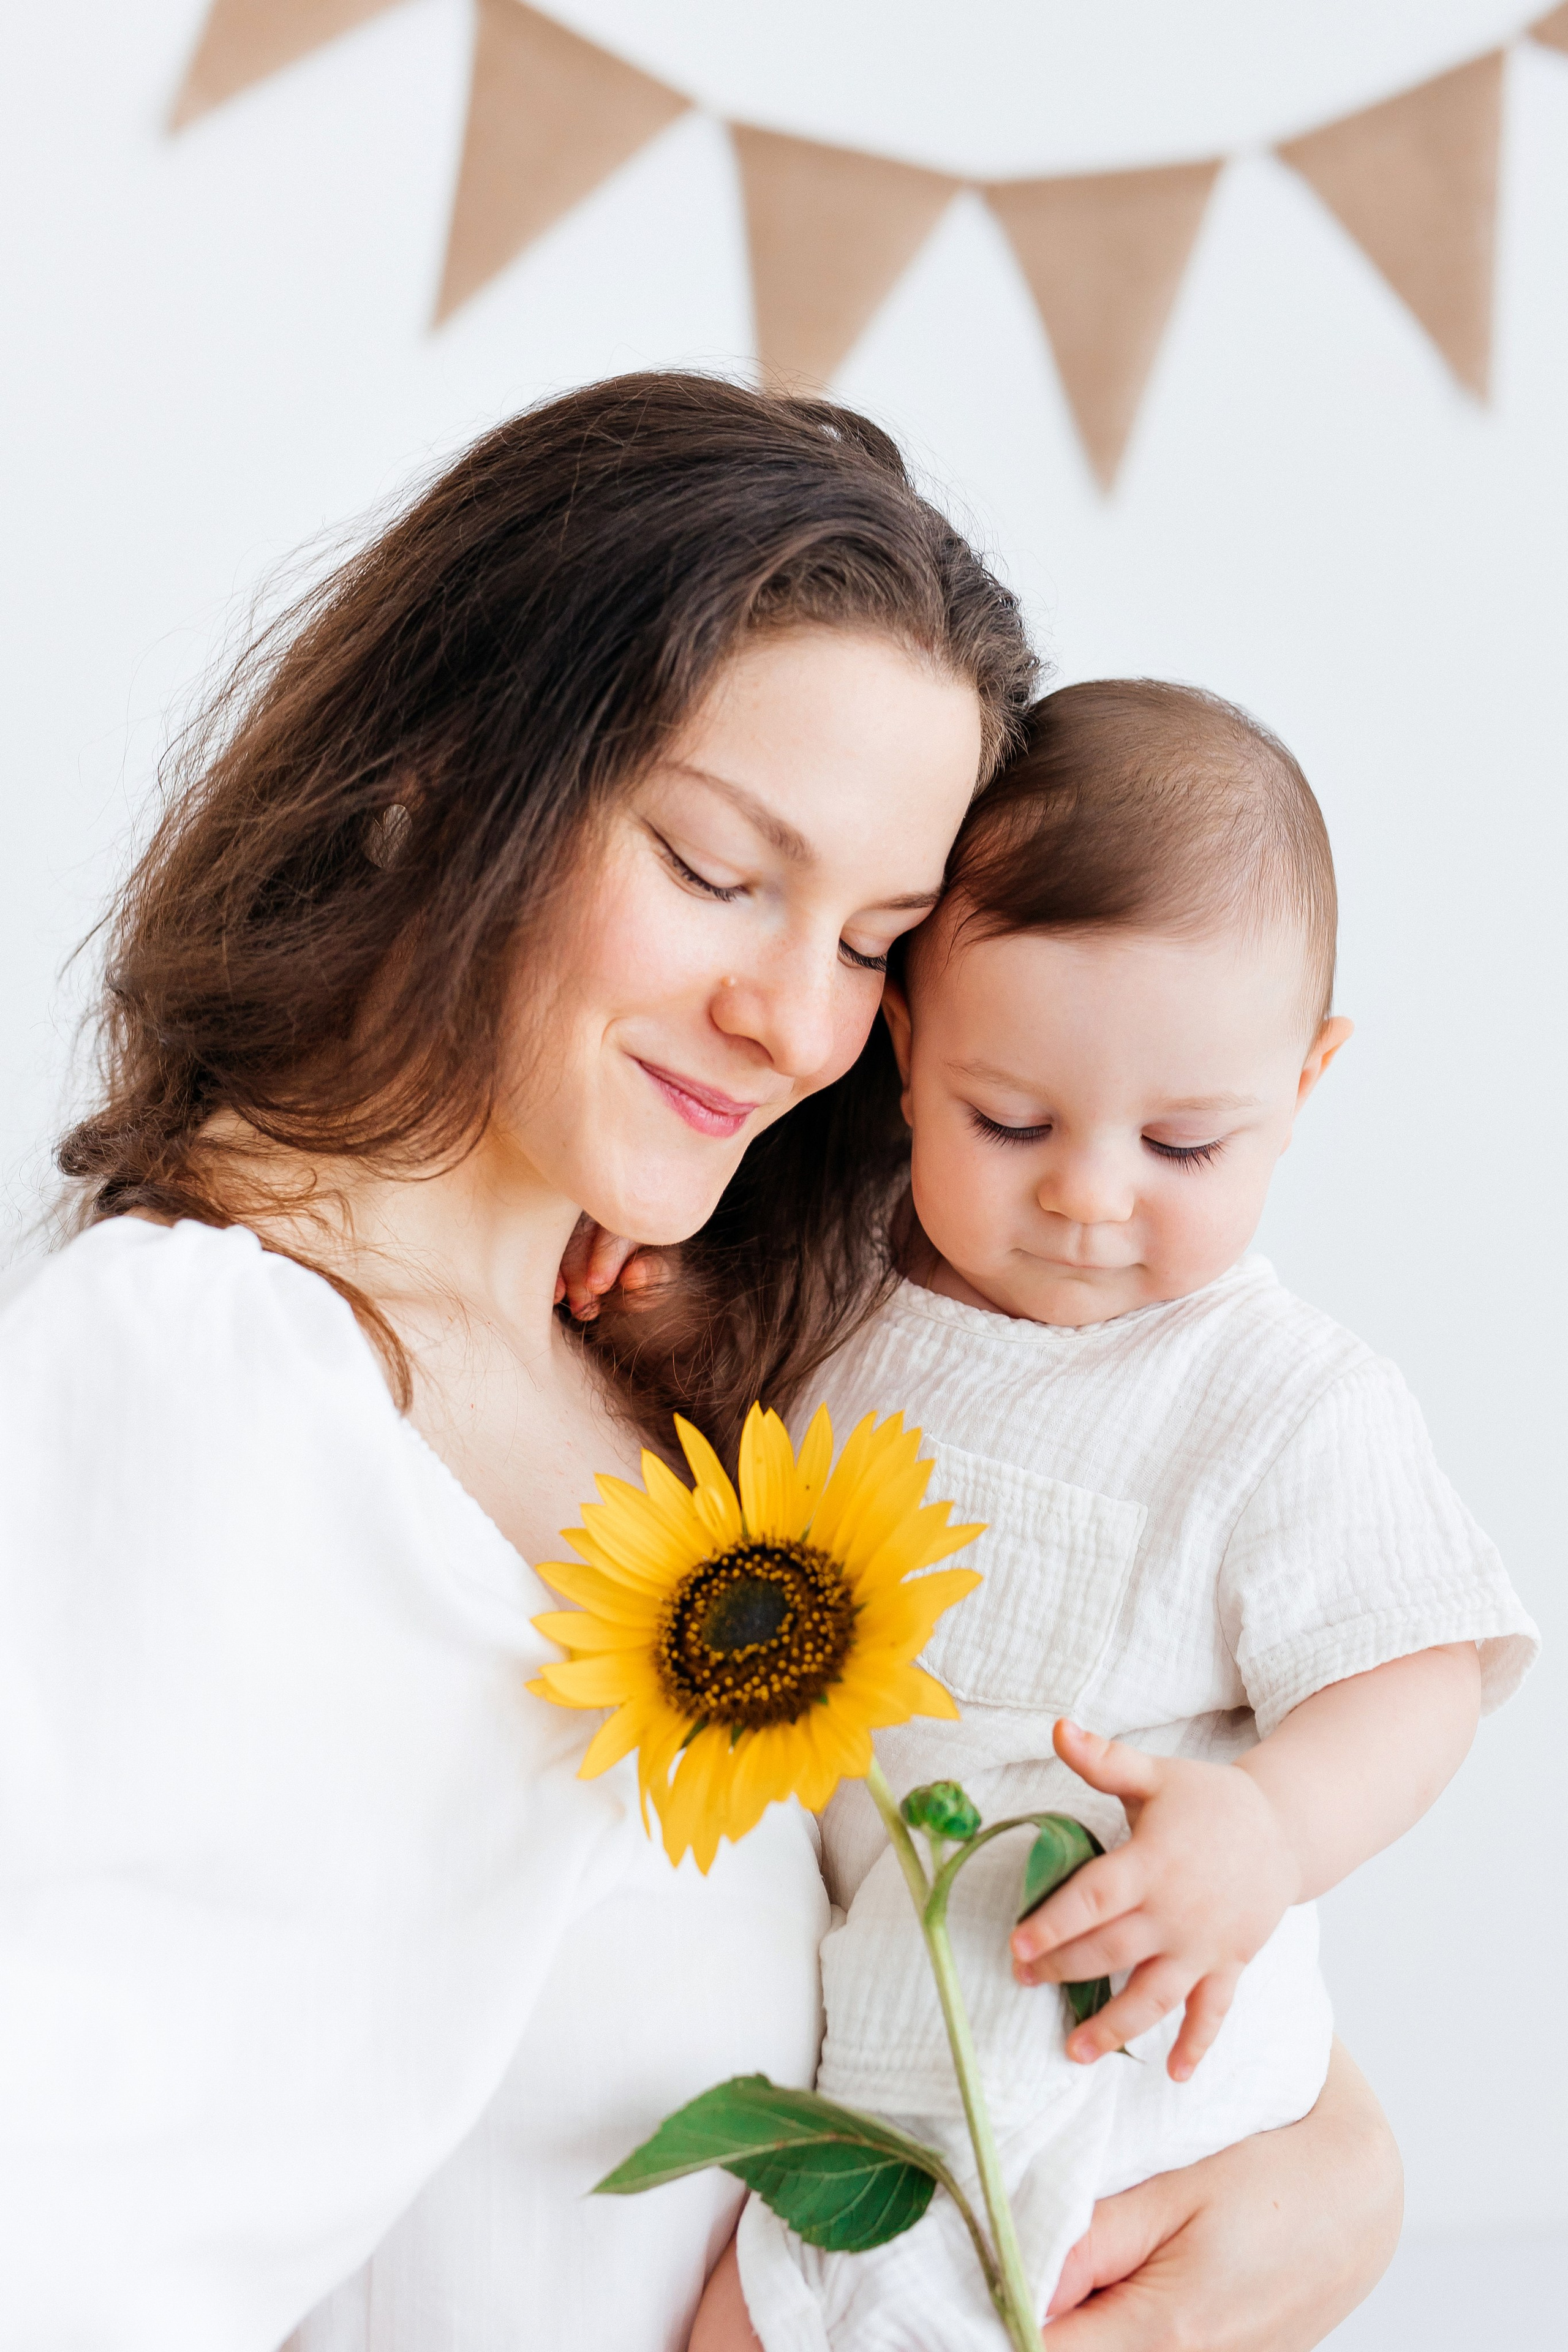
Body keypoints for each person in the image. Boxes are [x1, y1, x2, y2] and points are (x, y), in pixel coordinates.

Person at [0, 382, 1400, 2352]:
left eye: (872, 945)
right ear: (443, 768)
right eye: (720, 869)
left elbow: (1026, 1996)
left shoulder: (728, 1394)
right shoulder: (210, 1383)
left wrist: (1338, 2178)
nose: (789, 1023)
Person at [711, 681, 1537, 2350]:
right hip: (891, 2040)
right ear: (907, 1049)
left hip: (1118, 2060)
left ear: (1306, 1083)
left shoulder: (1279, 1399)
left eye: (1184, 1140)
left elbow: (1421, 1669)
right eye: (1008, 1122)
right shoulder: (847, 1296)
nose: (1089, 1194)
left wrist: (1275, 1831)